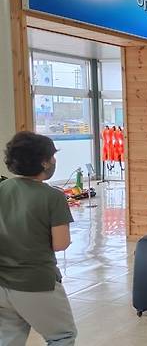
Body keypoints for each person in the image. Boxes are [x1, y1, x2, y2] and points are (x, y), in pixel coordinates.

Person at [0, 131, 77, 345]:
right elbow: (60, 244)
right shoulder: (52, 197)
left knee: (9, 338)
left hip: (2, 280)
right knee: (62, 336)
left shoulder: (2, 188)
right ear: (44, 163)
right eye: (52, 157)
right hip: (35, 282)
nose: (54, 161)